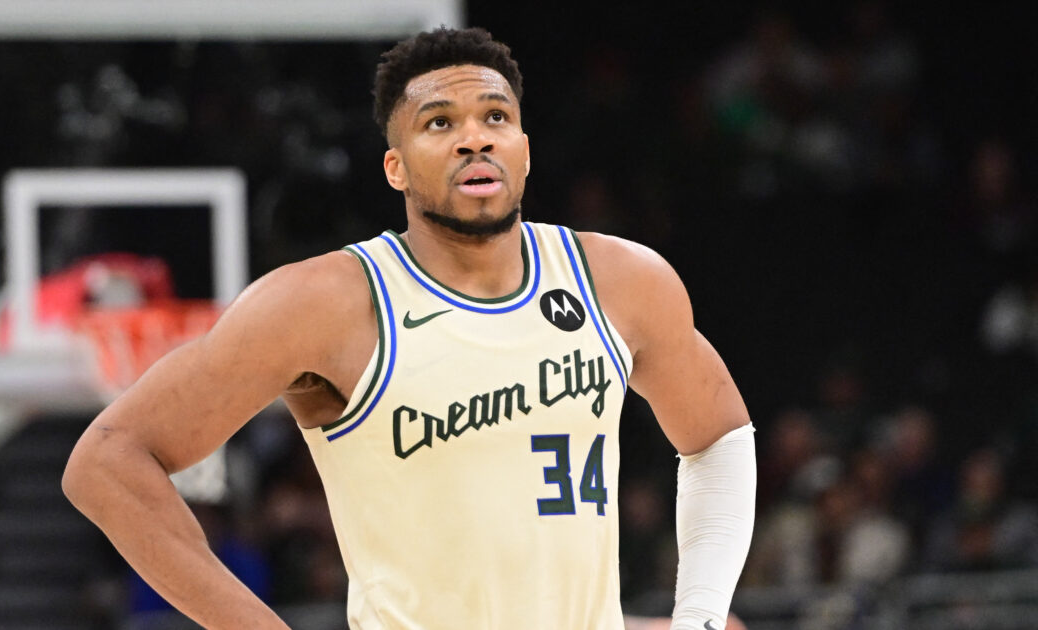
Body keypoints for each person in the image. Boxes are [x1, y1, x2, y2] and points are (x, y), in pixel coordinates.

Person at [63, 27, 756, 630]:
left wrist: (698, 615)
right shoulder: (326, 303)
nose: (474, 138)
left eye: (495, 116)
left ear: (523, 149)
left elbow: (719, 437)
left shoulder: (621, 281)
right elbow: (108, 463)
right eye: (439, 123)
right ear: (395, 167)